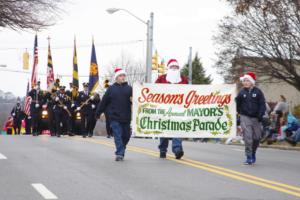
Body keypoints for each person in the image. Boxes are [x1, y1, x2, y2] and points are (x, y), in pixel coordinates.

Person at [96, 68, 132, 161]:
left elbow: (137, 102)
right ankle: (119, 153)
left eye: (124, 75)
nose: (123, 77)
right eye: (120, 76)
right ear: (116, 78)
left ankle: (121, 148)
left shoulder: (129, 89)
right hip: (114, 117)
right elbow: (103, 102)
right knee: (118, 135)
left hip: (126, 117)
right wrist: (98, 112)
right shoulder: (111, 89)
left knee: (126, 136)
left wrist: (133, 100)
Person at [155, 59, 188, 159]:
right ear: (169, 68)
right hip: (164, 109)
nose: (174, 69)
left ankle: (177, 149)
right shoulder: (161, 79)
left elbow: (189, 92)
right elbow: (153, 90)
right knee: (164, 129)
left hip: (178, 109)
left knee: (177, 128)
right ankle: (163, 149)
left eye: (176, 67)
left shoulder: (183, 79)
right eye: (172, 67)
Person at [236, 72, 266, 165]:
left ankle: (253, 153)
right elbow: (238, 104)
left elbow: (262, 104)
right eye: (244, 80)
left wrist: (260, 115)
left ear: (252, 82)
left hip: (256, 118)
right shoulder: (241, 92)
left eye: (247, 80)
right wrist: (240, 112)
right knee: (248, 138)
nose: (245, 82)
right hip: (245, 117)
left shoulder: (258, 92)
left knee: (256, 138)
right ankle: (248, 156)